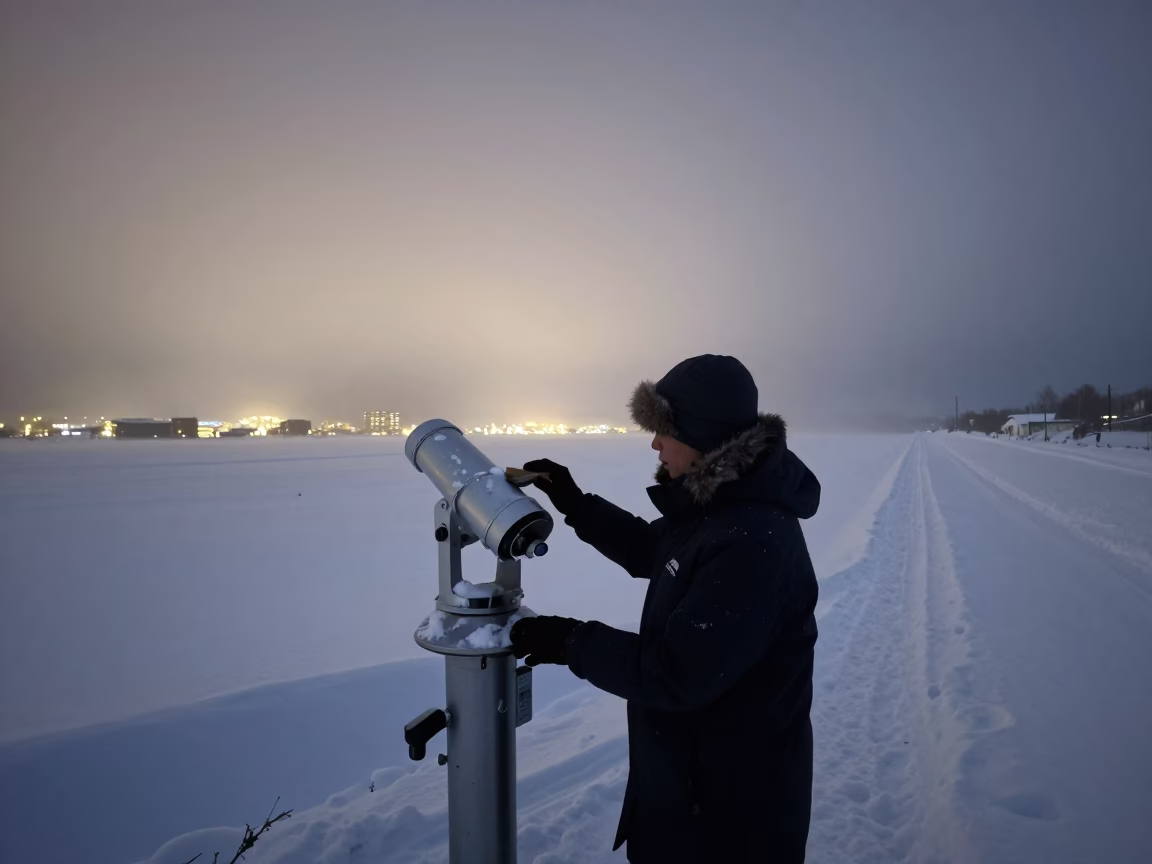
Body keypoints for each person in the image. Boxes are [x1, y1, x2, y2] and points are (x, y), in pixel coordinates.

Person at [510, 354, 820, 863]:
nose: (654, 444)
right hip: (688, 784)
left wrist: (571, 642)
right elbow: (653, 552)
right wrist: (574, 502)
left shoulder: (750, 539)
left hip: (727, 816)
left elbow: (679, 672)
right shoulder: (717, 507)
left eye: (664, 431)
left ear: (704, 438)